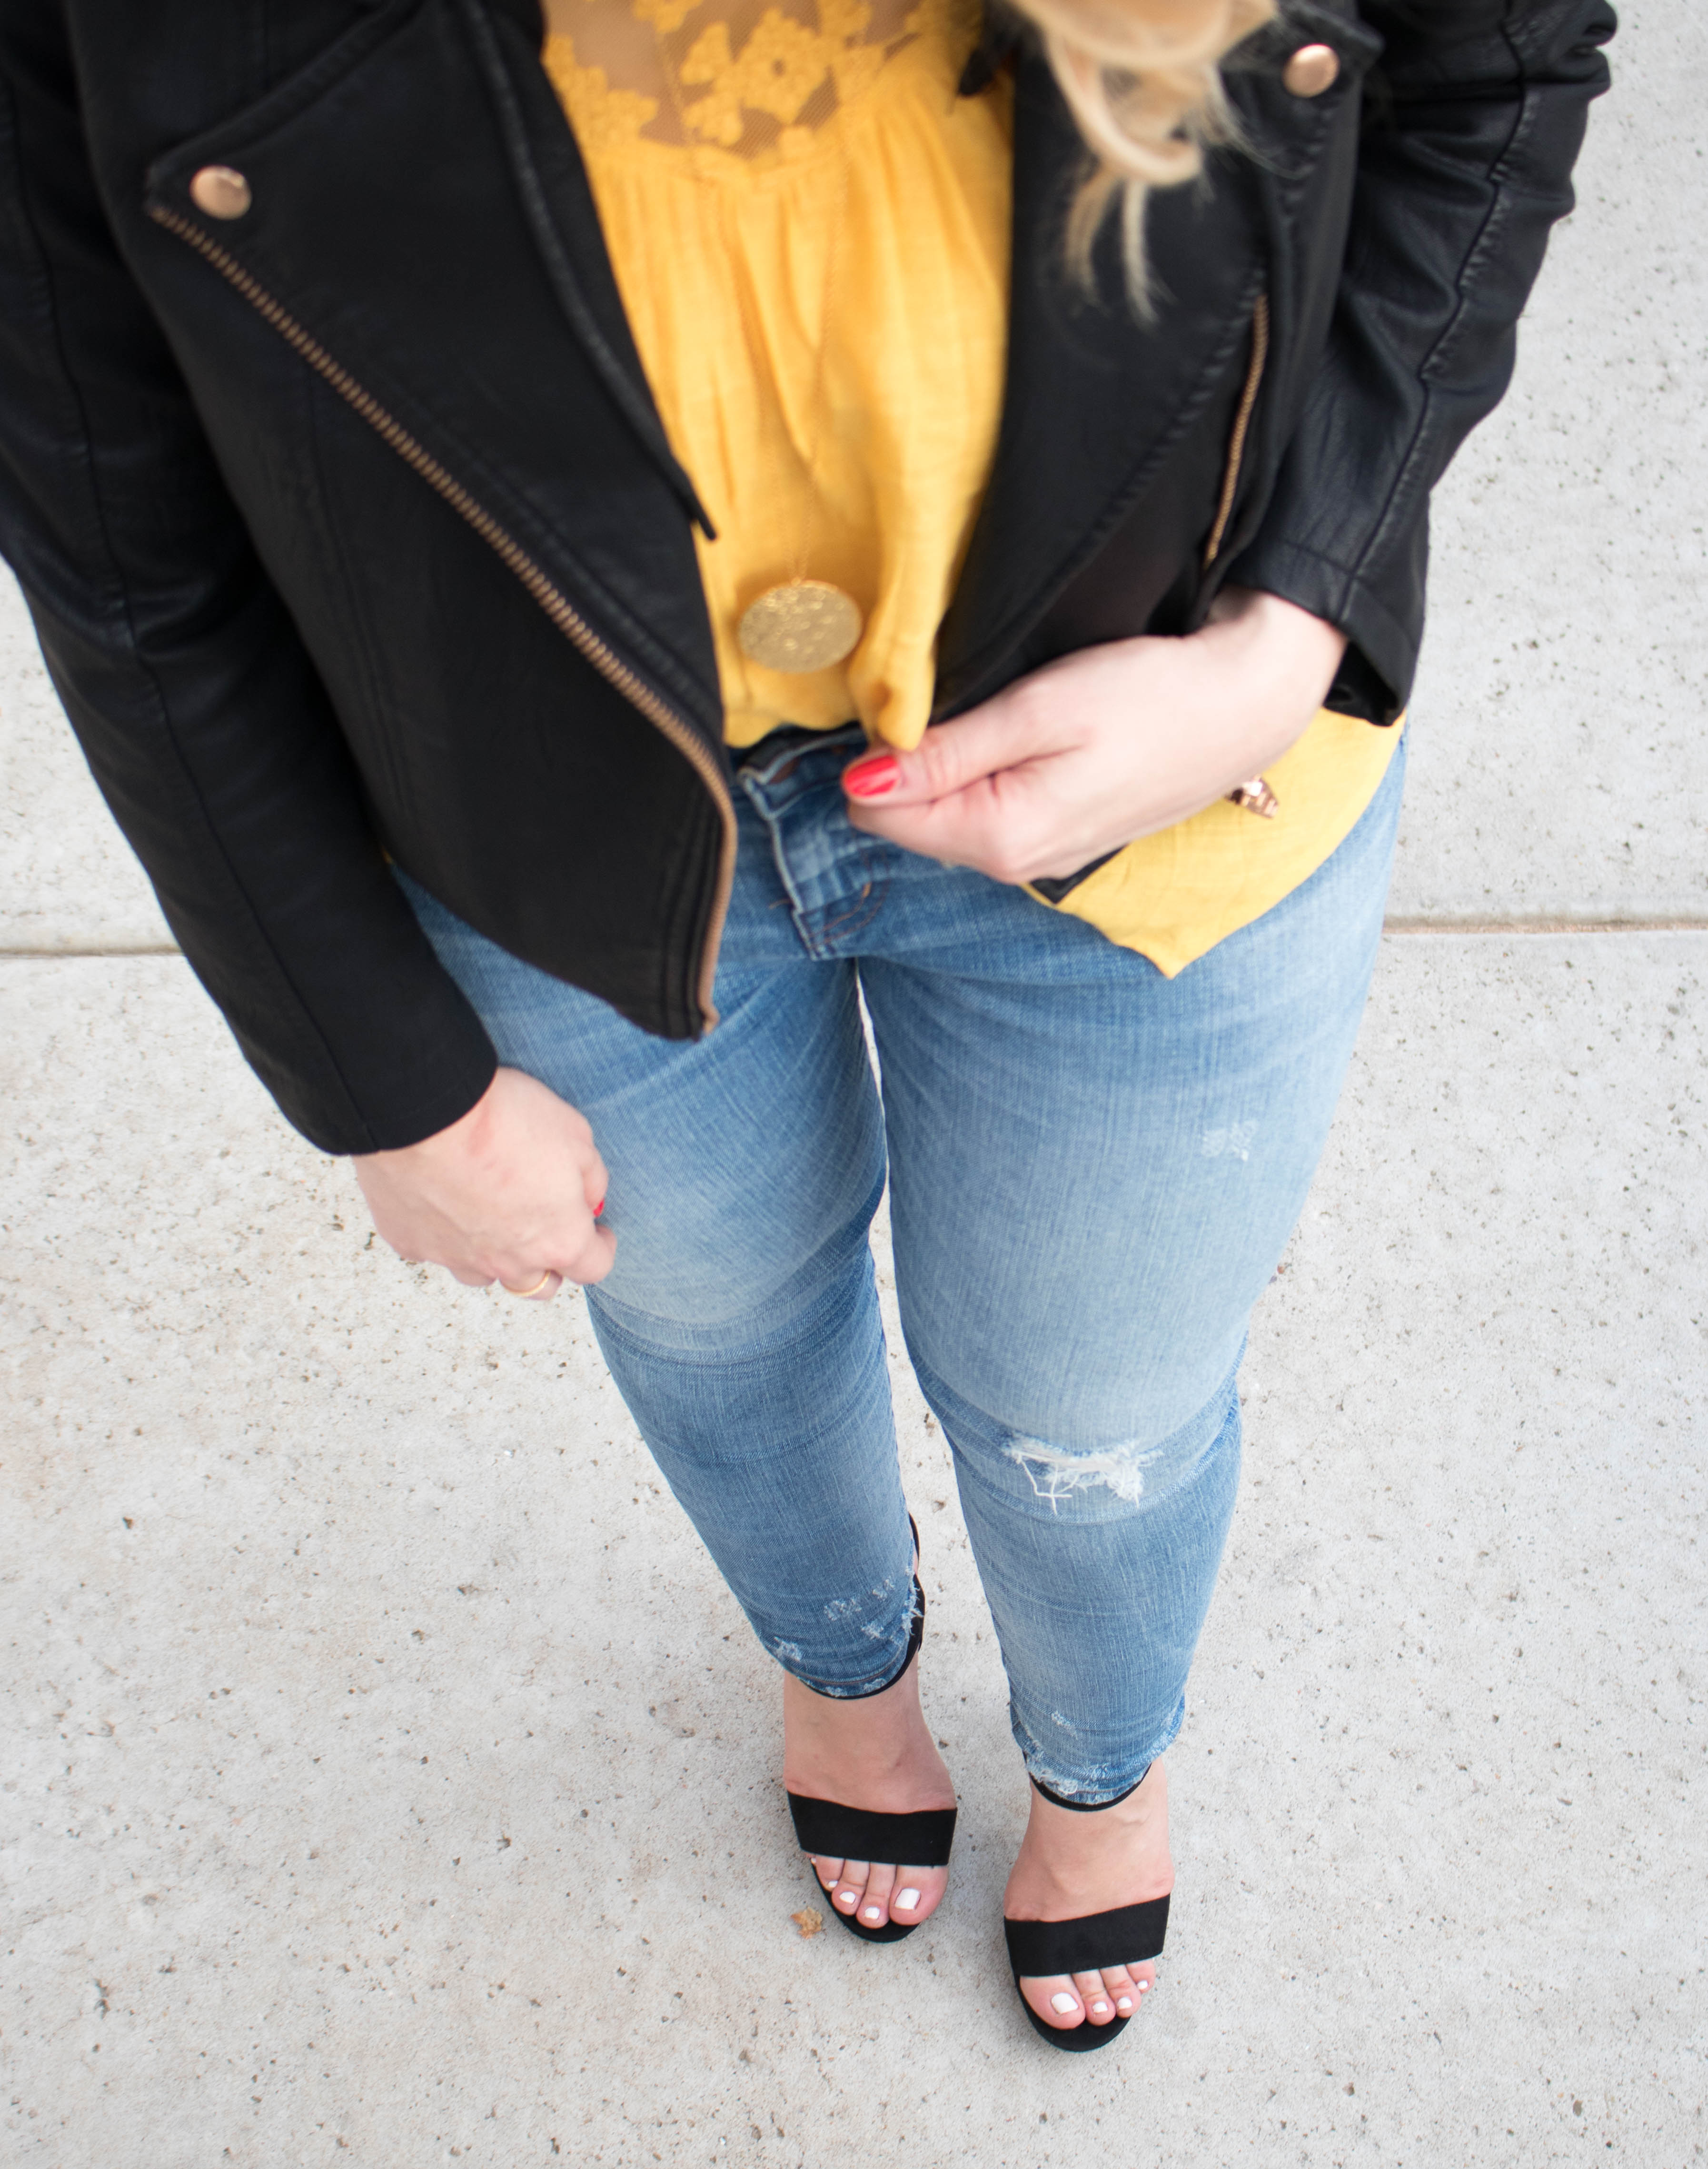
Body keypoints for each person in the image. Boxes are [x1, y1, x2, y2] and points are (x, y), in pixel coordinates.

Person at [0, 0, 1611, 2049]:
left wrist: (1294, 622)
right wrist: (369, 1074)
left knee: (1093, 1418)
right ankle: (844, 1664)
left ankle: (1104, 1765)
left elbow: (1506, 72)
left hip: (1161, 790)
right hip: (544, 839)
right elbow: (116, 513)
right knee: (715, 1326)